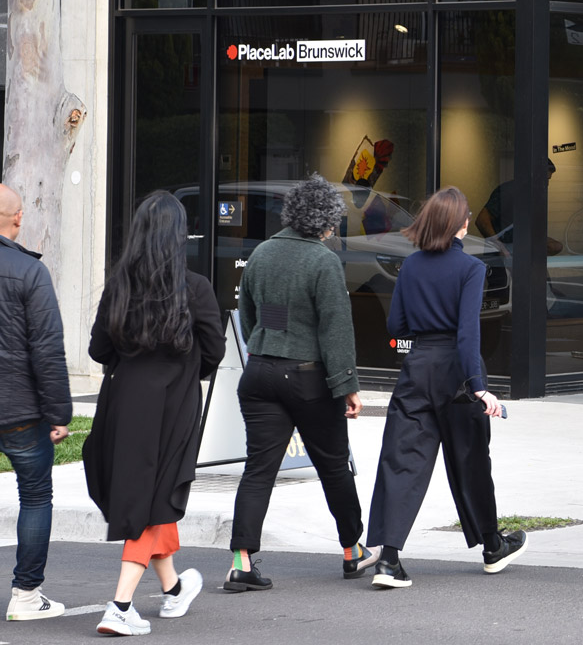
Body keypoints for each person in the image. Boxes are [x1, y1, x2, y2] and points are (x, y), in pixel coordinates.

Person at [367, 186, 526, 589]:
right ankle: (492, 547)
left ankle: (388, 560)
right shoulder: (471, 270)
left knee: (401, 461)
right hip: (456, 373)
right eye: (468, 216)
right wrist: (479, 387)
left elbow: (395, 327)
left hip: (417, 368)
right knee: (471, 460)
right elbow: (467, 335)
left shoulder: (411, 267)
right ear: (460, 225)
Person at [82, 191, 226, 635]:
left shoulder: (120, 285)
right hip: (173, 404)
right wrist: (184, 367)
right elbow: (215, 351)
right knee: (152, 499)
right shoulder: (195, 287)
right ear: (179, 235)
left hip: (124, 403)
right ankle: (120, 605)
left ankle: (174, 590)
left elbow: (97, 349)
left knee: (151, 495)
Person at [226, 175, 377, 591]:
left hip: (260, 374)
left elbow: (252, 316)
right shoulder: (323, 261)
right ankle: (353, 551)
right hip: (308, 378)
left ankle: (241, 561)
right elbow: (335, 329)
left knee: (258, 470)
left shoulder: (262, 253)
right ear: (326, 221)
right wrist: (347, 384)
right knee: (334, 466)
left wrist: (268, 345)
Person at [0, 183, 71, 621]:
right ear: (17, 219)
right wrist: (59, 413)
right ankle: (26, 597)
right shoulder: (30, 272)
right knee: (35, 497)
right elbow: (47, 350)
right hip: (19, 412)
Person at [475, 158, 563, 255]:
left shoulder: (533, 195)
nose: (547, 184)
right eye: (545, 179)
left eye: (548, 180)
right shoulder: (509, 191)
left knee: (555, 246)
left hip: (521, 247)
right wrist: (499, 245)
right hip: (504, 251)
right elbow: (482, 220)